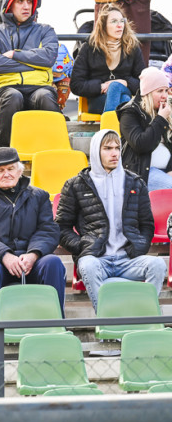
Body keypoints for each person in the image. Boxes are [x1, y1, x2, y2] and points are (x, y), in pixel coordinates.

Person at [0, 146, 65, 345]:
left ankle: (55, 331)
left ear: (20, 171)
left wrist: (33, 254)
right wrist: (4, 255)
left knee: (52, 262)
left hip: (31, 261)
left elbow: (49, 230)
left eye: (10, 168)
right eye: (0, 170)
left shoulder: (39, 196)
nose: (6, 174)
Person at [57, 129, 164, 309]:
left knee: (158, 265)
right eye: (107, 148)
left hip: (128, 259)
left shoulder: (135, 183)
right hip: (97, 259)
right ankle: (106, 320)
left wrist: (139, 246)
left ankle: (145, 316)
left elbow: (147, 224)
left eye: (117, 148)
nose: (114, 153)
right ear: (95, 151)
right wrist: (83, 246)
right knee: (88, 266)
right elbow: (61, 227)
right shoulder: (75, 184)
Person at [0, 0, 60, 149]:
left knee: (45, 96)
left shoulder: (46, 31)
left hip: (39, 88)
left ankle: (56, 150)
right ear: (10, 4)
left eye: (29, 2)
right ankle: (3, 153)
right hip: (5, 90)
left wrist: (15, 54)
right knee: (13, 96)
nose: (26, 6)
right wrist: (35, 63)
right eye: (20, 1)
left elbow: (48, 59)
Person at [70, 3, 145, 115]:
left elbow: (143, 83)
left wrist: (124, 82)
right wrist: (102, 86)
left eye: (121, 21)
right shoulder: (89, 48)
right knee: (124, 100)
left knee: (117, 89)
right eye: (114, 21)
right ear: (103, 26)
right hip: (98, 100)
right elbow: (76, 85)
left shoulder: (132, 47)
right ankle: (116, 129)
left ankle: (108, 130)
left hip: (126, 94)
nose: (120, 25)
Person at [117, 67, 172, 190]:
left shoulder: (165, 111)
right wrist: (161, 119)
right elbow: (141, 144)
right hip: (142, 174)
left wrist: (170, 169)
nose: (164, 96)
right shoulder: (130, 113)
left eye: (166, 90)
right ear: (148, 92)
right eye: (159, 91)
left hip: (166, 172)